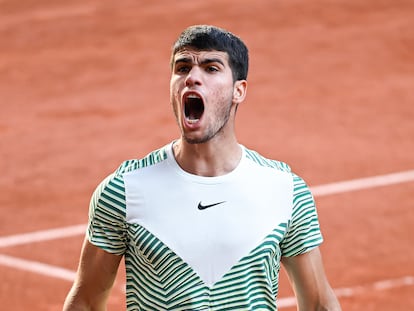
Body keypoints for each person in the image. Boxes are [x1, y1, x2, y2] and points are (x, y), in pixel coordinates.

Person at [63, 25, 341, 311]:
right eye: (182, 68)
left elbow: (319, 303)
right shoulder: (124, 190)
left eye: (210, 68)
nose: (192, 78)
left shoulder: (284, 190)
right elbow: (84, 301)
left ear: (238, 90)